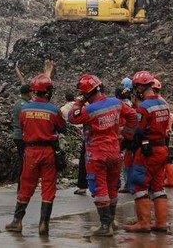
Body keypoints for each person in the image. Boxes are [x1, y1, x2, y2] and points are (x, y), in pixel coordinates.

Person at [68, 74, 137, 237]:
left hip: (97, 154)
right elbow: (133, 116)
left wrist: (79, 101)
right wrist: (126, 135)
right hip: (114, 151)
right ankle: (111, 221)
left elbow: (72, 117)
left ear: (86, 93)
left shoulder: (88, 110)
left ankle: (105, 226)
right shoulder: (117, 103)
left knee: (99, 188)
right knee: (112, 187)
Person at [5, 73, 66, 235]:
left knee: (26, 185)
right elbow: (62, 128)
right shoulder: (54, 110)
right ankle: (44, 224)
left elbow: (24, 127)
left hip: (31, 151)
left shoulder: (25, 109)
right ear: (47, 91)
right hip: (48, 151)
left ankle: (17, 222)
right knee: (48, 187)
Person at [124, 71, 171, 233]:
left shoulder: (143, 108)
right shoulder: (163, 104)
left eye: (136, 87)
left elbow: (137, 131)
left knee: (139, 184)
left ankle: (143, 223)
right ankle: (161, 223)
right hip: (162, 148)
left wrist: (124, 137)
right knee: (158, 186)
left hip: (147, 151)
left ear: (141, 87)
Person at [60, 91, 87, 195]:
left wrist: (79, 103)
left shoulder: (65, 108)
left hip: (86, 138)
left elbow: (71, 119)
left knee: (84, 162)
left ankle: (83, 186)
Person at [13, 83, 32, 191]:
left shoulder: (20, 103)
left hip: (19, 136)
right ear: (28, 93)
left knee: (23, 160)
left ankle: (22, 185)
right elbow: (26, 122)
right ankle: (22, 186)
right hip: (21, 136)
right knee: (24, 162)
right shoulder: (22, 106)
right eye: (31, 92)